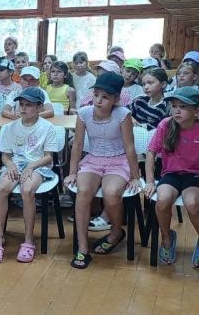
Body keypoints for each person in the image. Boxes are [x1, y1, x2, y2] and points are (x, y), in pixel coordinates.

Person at [64, 72, 140, 269]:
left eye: (105, 97)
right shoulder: (84, 113)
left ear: (116, 99)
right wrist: (73, 172)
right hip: (92, 160)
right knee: (83, 192)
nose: (98, 100)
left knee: (111, 193)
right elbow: (78, 144)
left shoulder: (123, 115)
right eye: (96, 94)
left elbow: (130, 147)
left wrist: (135, 176)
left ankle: (116, 232)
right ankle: (82, 247)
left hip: (118, 160)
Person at [0, 87, 58, 263]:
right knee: (2, 188)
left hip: (38, 164)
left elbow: (49, 156)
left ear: (39, 107)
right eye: (21, 104)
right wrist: (10, 165)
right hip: (16, 162)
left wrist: (32, 166)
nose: (23, 108)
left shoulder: (48, 127)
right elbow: (4, 155)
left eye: (29, 105)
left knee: (27, 190)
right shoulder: (11, 127)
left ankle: (28, 240)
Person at [144, 86, 199, 265]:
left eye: (183, 107)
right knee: (163, 199)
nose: (177, 110)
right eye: (174, 106)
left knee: (192, 203)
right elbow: (151, 152)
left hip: (194, 176)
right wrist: (150, 181)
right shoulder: (166, 125)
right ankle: (167, 238)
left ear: (196, 111)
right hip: (171, 174)